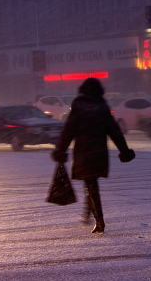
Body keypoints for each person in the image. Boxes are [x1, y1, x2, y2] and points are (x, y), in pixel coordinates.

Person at [52, 77, 135, 234]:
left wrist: (61, 149)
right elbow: (114, 130)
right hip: (98, 151)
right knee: (90, 183)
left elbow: (68, 130)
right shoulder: (102, 106)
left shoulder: (78, 105)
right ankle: (88, 215)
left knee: (90, 184)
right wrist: (124, 150)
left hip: (84, 151)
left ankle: (99, 222)